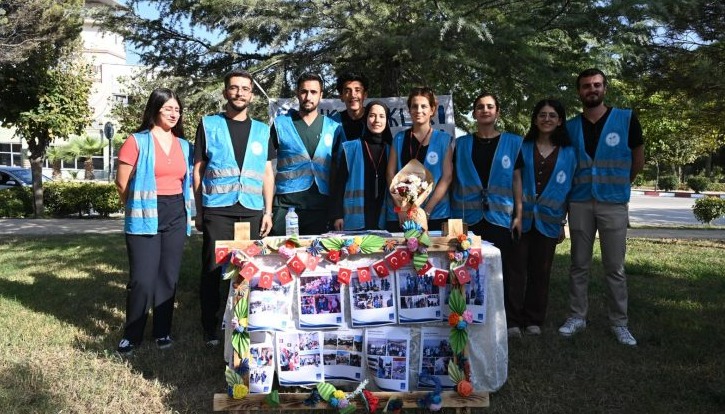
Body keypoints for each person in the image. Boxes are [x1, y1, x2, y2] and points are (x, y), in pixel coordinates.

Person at [558, 68, 644, 346]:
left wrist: (618, 185)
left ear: (604, 88)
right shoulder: (569, 127)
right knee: (578, 264)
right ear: (579, 92)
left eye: (596, 85)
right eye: (585, 86)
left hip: (613, 203)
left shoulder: (626, 119)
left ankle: (619, 322)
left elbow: (637, 161)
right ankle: (577, 316)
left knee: (614, 267)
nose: (591, 90)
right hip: (580, 201)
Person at [193, 69, 275, 347]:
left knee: (246, 269)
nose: (239, 93)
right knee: (213, 269)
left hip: (250, 210)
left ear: (252, 95)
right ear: (225, 91)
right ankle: (209, 327)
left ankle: (244, 321)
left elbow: (267, 173)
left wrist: (267, 211)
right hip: (218, 209)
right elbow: (198, 170)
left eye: (245, 88)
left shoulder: (263, 131)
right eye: (234, 88)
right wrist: (200, 209)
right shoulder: (209, 125)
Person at [115, 88, 194, 355]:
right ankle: (132, 335)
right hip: (145, 213)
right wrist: (135, 205)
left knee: (167, 278)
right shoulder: (136, 141)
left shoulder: (185, 146)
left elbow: (187, 182)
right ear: (155, 109)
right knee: (143, 279)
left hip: (175, 213)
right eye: (168, 108)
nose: (173, 114)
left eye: (177, 110)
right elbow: (121, 182)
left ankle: (162, 332)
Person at [451, 92, 523, 337]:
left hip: (500, 217)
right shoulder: (460, 144)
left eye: (490, 106)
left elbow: (516, 179)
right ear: (473, 113)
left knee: (502, 270)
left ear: (497, 112)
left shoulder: (514, 143)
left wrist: (519, 215)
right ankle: (470, 315)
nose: (485, 110)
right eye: (480, 106)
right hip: (468, 218)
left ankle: (508, 321)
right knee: (469, 270)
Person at [509, 99, 577, 336]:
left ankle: (534, 319)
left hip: (550, 220)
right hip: (522, 218)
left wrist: (563, 222)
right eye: (542, 114)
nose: (546, 119)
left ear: (560, 121)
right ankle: (513, 321)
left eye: (552, 115)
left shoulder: (569, 153)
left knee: (541, 270)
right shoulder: (522, 146)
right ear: (535, 119)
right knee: (516, 269)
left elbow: (569, 188)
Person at [271, 72, 345, 235]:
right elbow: (265, 166)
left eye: (313, 92)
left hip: (320, 208)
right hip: (286, 207)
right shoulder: (280, 125)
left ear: (321, 95)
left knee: (316, 258)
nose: (308, 97)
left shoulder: (333, 128)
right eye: (304, 91)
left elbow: (339, 174)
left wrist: (337, 212)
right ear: (297, 93)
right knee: (279, 257)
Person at [385, 87, 453, 232]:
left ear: (432, 110)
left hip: (435, 214)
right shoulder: (399, 139)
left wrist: (426, 211)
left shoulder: (444, 140)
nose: (418, 110)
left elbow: (446, 177)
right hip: (402, 214)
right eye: (414, 106)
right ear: (409, 110)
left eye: (424, 106)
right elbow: (390, 173)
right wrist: (401, 207)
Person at [332, 101, 392, 230]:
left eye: (382, 116)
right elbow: (338, 184)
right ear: (365, 119)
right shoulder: (350, 148)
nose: (376, 120)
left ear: (387, 121)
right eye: (372, 115)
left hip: (383, 218)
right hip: (354, 218)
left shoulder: (391, 151)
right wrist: (337, 215)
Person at [332, 72, 369, 140]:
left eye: (357, 90)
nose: (353, 95)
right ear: (341, 96)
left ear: (365, 95)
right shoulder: (333, 123)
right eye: (347, 91)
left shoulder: (375, 119)